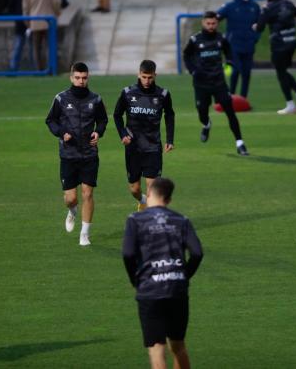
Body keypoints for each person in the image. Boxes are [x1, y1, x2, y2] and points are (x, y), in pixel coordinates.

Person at [122, 177, 203, 369]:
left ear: (149, 194)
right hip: (177, 289)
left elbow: (128, 253)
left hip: (150, 290)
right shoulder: (181, 220)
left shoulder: (135, 220)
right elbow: (197, 253)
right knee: (178, 345)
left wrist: (136, 280)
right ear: (169, 200)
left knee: (157, 348)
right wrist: (184, 275)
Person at [45, 62, 108, 246]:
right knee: (71, 198)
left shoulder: (95, 99)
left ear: (88, 78)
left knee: (88, 194)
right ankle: (72, 211)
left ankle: (84, 234)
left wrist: (99, 132)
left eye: (84, 78)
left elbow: (103, 120)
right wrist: (61, 133)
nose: (81, 81)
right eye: (78, 78)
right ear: (72, 78)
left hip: (89, 154)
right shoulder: (61, 99)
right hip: (68, 155)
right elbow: (50, 120)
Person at [183, 11, 249, 156]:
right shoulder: (195, 40)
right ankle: (206, 124)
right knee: (202, 113)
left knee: (230, 112)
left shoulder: (221, 38)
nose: (211, 26)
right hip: (201, 84)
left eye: (214, 23)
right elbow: (186, 56)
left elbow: (229, 52)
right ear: (203, 23)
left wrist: (230, 63)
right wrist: (192, 70)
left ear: (217, 23)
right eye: (208, 23)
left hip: (219, 82)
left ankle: (240, 143)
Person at [113, 60, 175, 210]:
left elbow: (170, 115)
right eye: (144, 77)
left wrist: (170, 139)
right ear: (139, 74)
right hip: (133, 148)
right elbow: (116, 115)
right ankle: (142, 200)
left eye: (150, 77)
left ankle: (149, 222)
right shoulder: (128, 93)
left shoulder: (163, 94)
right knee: (134, 189)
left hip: (153, 147)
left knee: (152, 188)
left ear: (155, 75)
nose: (147, 81)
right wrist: (122, 134)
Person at [255, 0, 296, 114]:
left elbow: (260, 27)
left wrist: (255, 26)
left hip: (279, 44)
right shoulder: (288, 3)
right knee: (283, 71)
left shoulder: (267, 7)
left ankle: (291, 103)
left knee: (280, 72)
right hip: (291, 42)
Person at [217, 0, 261, 98]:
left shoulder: (254, 6)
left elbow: (260, 25)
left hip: (249, 45)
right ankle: (231, 96)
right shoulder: (230, 6)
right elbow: (216, 18)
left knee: (246, 73)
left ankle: (243, 98)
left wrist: (255, 38)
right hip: (233, 45)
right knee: (235, 70)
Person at [22, 0, 62, 71]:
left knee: (36, 48)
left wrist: (28, 23)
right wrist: (57, 14)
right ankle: (51, 68)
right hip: (49, 21)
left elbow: (25, 9)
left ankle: (39, 70)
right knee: (50, 47)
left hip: (34, 22)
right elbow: (56, 3)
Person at [9, 0, 32, 71]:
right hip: (20, 22)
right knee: (18, 46)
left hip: (32, 23)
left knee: (32, 48)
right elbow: (11, 5)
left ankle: (36, 70)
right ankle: (13, 69)